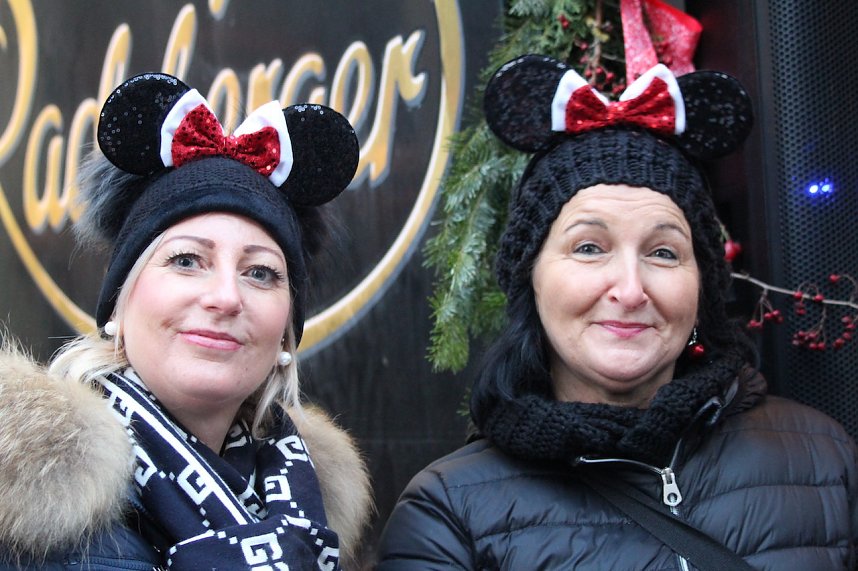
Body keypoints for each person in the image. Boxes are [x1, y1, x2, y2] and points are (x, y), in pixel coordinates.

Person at [376, 54, 858, 570]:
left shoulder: (825, 459)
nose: (630, 290)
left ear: (703, 287)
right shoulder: (449, 512)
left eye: (664, 252)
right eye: (588, 247)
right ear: (530, 280)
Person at [0, 72, 373, 570]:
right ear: (119, 307)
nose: (225, 297)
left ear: (286, 331)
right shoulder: (23, 518)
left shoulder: (314, 517)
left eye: (259, 272)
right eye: (186, 261)